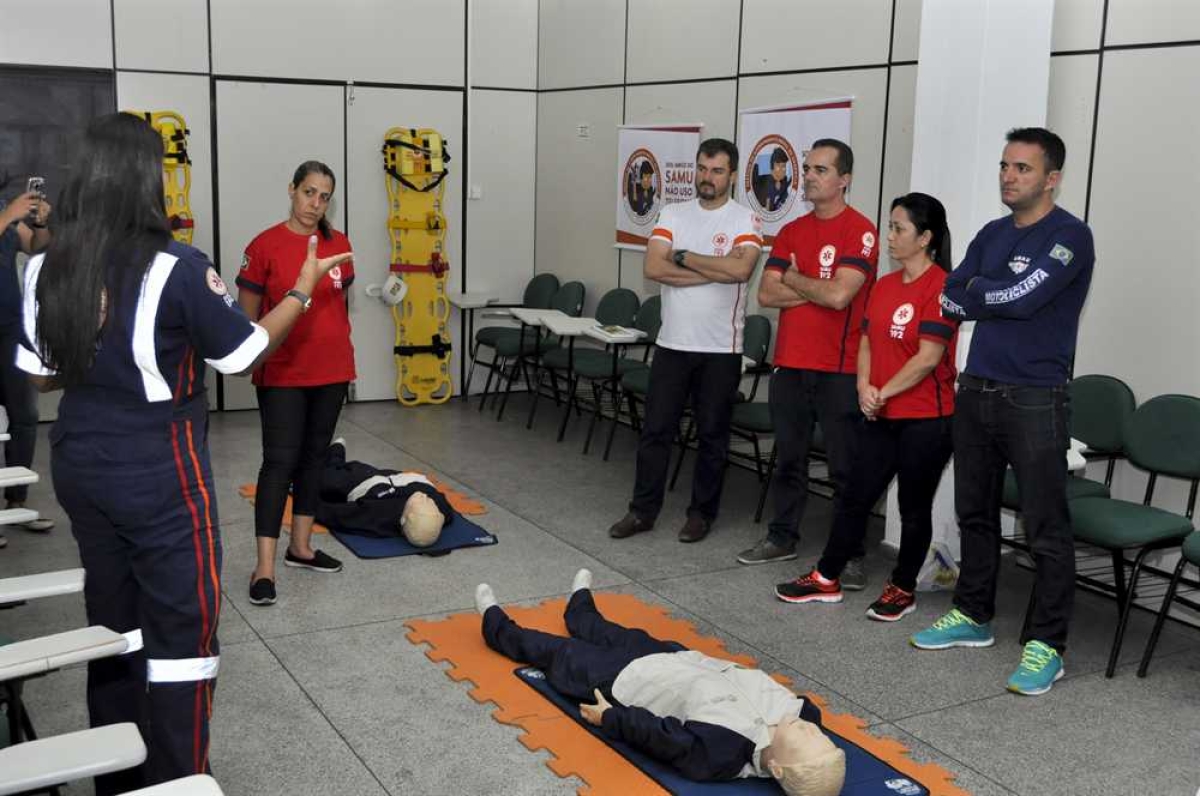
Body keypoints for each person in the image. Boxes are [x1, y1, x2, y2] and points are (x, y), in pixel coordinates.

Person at [16, 112, 352, 792]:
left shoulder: (46, 264)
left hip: (80, 462)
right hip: (158, 469)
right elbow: (245, 352)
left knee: (113, 622)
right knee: (181, 639)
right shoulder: (176, 265)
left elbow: (42, 373)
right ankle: (173, 778)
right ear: (148, 178)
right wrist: (300, 290)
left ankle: (118, 774)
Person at [911, 127, 1095, 697]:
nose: (1009, 177)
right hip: (979, 389)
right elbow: (950, 291)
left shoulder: (1070, 236)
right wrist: (991, 290)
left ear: (1051, 178)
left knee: (1045, 528)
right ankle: (973, 615)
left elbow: (1023, 298)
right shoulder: (992, 233)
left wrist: (983, 293)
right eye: (1005, 166)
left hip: (1035, 395)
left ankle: (1047, 645)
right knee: (975, 512)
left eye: (1022, 168)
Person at [475, 569, 846, 796]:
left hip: (624, 681)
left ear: (776, 768)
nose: (813, 731)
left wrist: (611, 718)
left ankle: (495, 625)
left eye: (806, 741)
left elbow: (660, 737)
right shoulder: (800, 715)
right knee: (607, 630)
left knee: (555, 651)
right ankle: (579, 606)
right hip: (676, 659)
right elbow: (807, 729)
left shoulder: (720, 755)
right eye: (822, 737)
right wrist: (808, 738)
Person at [774, 193, 957, 621]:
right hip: (881, 411)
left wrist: (883, 391)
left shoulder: (943, 286)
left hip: (927, 420)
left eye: (899, 229)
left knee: (913, 507)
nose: (889, 236)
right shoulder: (885, 285)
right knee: (855, 496)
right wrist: (863, 386)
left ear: (926, 237)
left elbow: (928, 357)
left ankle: (902, 587)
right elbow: (868, 340)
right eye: (889, 226)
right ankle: (826, 577)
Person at [739, 139, 879, 592]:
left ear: (844, 179)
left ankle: (850, 555)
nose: (811, 176)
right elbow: (765, 294)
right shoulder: (793, 231)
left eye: (821, 169)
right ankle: (782, 537)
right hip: (791, 364)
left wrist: (797, 280)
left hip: (838, 370)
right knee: (789, 460)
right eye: (808, 168)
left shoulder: (861, 230)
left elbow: (841, 296)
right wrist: (819, 287)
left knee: (845, 469)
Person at [607, 138, 763, 543]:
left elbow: (742, 271)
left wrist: (684, 256)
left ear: (731, 175)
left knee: (712, 436)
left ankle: (701, 515)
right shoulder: (672, 212)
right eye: (701, 169)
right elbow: (653, 267)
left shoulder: (744, 220)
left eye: (716, 171)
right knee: (656, 432)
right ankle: (642, 511)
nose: (706, 178)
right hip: (672, 345)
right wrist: (716, 268)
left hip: (721, 351)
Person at [236, 161, 356, 607]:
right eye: (309, 192)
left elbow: (336, 306)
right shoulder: (264, 245)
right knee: (278, 463)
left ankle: (300, 548)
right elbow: (246, 319)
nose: (315, 204)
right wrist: (249, 359)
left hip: (333, 369)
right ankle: (264, 566)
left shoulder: (338, 243)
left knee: (314, 459)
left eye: (324, 196)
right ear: (292, 190)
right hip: (283, 371)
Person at [0, 178, 55, 547]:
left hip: (8, 330)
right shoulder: (4, 214)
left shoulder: (7, 216)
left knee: (24, 416)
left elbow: (38, 248)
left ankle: (16, 503)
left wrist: (39, 223)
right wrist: (7, 215)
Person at [315, 438, 454, 546]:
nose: (424, 497)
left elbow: (337, 515)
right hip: (401, 478)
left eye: (422, 502)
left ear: (404, 518)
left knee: (326, 481)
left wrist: (307, 501)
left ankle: (335, 452)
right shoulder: (442, 508)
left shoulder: (379, 515)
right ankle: (335, 454)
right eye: (429, 502)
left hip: (365, 482)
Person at [753, 147, 792, 212]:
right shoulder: (761, 179)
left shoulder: (785, 182)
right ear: (772, 166)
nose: (781, 169)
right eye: (778, 165)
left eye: (783, 166)